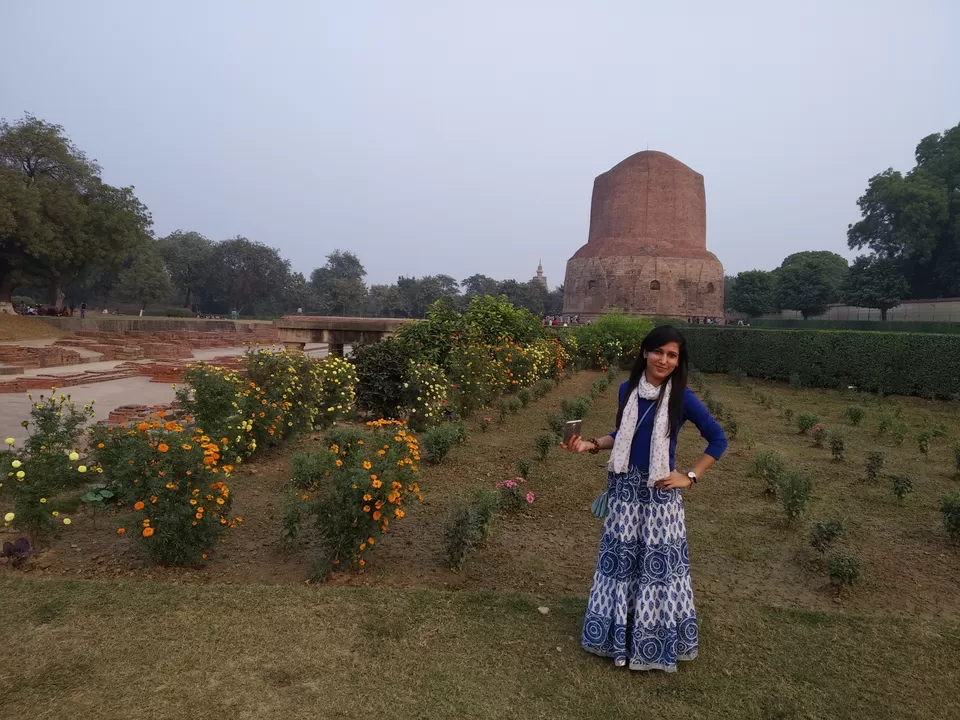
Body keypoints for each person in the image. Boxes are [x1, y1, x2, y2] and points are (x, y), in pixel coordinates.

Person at [562, 325, 727, 672]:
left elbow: (718, 439)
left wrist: (690, 476)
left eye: (672, 355)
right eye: (658, 352)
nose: (663, 360)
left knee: (656, 570)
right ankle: (619, 634)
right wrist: (590, 444)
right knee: (623, 564)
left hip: (658, 494)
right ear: (644, 352)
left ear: (678, 361)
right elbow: (621, 434)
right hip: (625, 491)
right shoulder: (628, 390)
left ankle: (652, 638)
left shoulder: (683, 397)